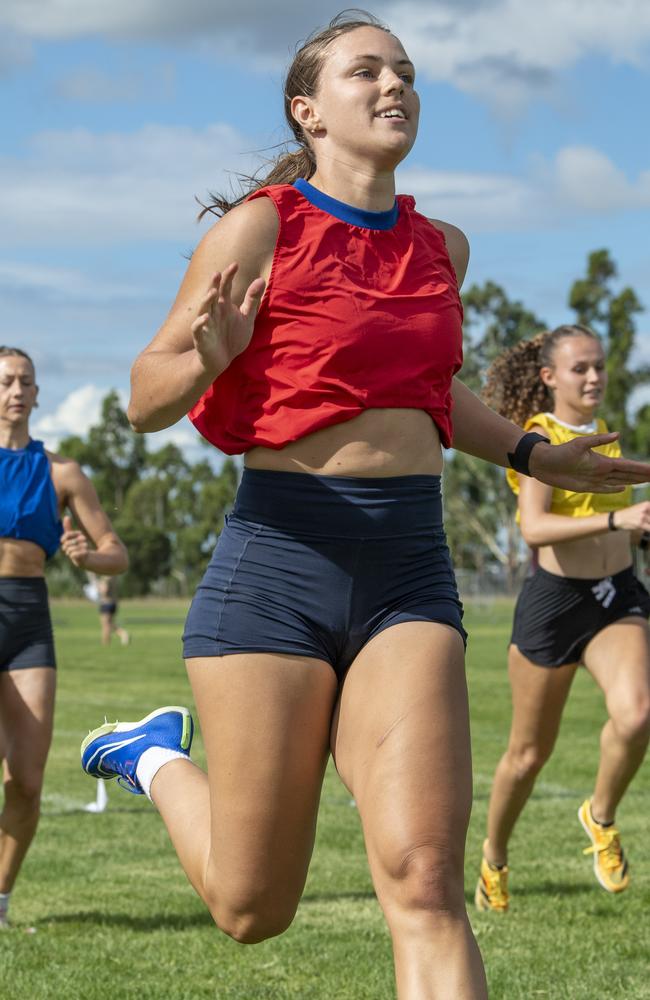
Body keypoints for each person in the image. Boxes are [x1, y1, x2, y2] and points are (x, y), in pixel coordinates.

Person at [79, 14, 650, 998]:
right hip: (277, 563)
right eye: (364, 71)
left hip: (406, 572)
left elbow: (427, 395)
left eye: (405, 73)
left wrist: (529, 448)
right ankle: (149, 759)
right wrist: (206, 358)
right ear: (308, 111)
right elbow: (141, 395)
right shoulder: (262, 226)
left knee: (426, 884)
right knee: (252, 907)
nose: (393, 85)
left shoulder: (441, 248)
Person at [474, 325, 650, 914]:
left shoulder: (609, 436)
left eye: (599, 366)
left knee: (638, 712)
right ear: (550, 377)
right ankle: (494, 857)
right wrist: (616, 523)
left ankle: (600, 817)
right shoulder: (538, 438)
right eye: (581, 369)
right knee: (528, 755)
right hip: (555, 604)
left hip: (617, 595)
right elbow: (534, 529)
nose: (595, 377)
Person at [0, 346, 128, 928]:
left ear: (37, 393)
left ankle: (0, 898)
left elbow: (116, 554)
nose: (17, 390)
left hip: (28, 618)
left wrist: (87, 557)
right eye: (6, 381)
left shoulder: (62, 473)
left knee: (26, 781)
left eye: (25, 381)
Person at [94, 574, 130, 646]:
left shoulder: (106, 577)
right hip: (113, 603)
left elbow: (105, 591)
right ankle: (122, 634)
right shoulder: (113, 576)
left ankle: (106, 643)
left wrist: (98, 588)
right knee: (109, 624)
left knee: (105, 625)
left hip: (106, 603)